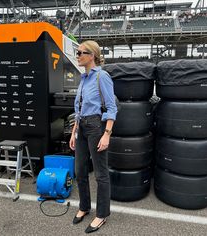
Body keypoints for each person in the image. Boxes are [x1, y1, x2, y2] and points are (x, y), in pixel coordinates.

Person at [69, 40, 117, 234]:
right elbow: (78, 109)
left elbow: (112, 107)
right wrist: (73, 132)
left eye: (81, 52)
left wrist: (107, 134)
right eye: (77, 52)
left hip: (97, 127)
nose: (78, 55)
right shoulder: (83, 78)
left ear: (92, 56)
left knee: (100, 173)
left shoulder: (102, 77)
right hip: (81, 127)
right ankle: (84, 206)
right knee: (80, 170)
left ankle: (102, 214)